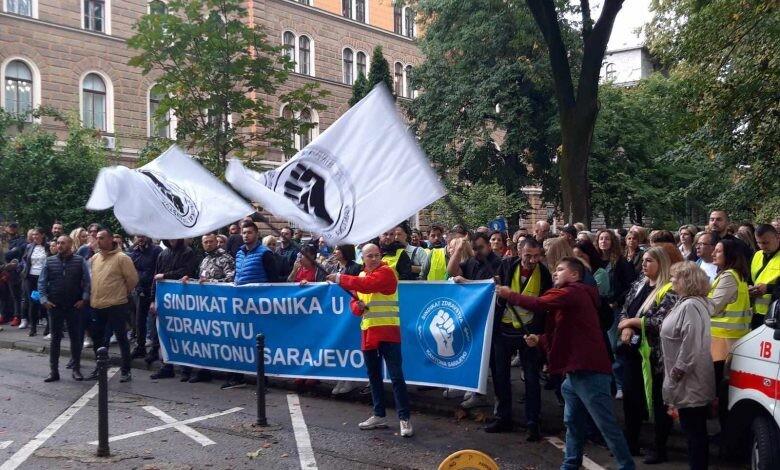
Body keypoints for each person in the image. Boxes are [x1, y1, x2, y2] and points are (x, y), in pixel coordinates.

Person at [499, 257, 634, 470]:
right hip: (576, 371)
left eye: (560, 269)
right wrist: (540, 339)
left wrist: (510, 295)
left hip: (588, 370)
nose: (555, 273)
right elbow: (566, 331)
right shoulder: (573, 294)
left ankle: (626, 466)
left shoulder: (573, 292)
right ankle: (570, 463)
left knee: (605, 424)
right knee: (573, 421)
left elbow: (539, 303)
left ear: (574, 275)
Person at [326, 244, 413, 437]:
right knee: (373, 377)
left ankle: (404, 418)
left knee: (396, 377)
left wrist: (340, 278)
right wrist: (358, 306)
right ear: (363, 258)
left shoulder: (387, 272)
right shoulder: (362, 277)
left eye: (376, 255)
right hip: (368, 332)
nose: (373, 259)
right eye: (369, 256)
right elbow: (355, 305)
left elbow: (367, 285)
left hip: (389, 331)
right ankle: (378, 414)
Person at [616, 247, 678, 463]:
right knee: (632, 399)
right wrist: (626, 326)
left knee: (659, 403)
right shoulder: (639, 284)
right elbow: (626, 309)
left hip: (656, 356)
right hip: (633, 352)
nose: (644, 264)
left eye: (649, 261)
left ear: (661, 264)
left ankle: (659, 448)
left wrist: (632, 323)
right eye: (643, 260)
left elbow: (661, 321)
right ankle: (630, 443)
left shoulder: (670, 289)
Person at [487, 237, 552, 441]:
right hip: (503, 331)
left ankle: (533, 422)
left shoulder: (545, 275)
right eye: (527, 256)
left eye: (536, 256)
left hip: (529, 334)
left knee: (531, 379)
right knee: (500, 376)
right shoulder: (506, 265)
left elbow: (543, 305)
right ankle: (503, 417)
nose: (532, 260)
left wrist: (539, 334)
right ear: (518, 252)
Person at [661, 261, 715, 470]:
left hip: (689, 380)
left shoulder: (691, 305)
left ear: (687, 281)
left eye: (675, 277)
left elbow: (691, 345)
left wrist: (675, 375)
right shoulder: (687, 303)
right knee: (694, 431)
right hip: (688, 379)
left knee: (694, 433)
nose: (672, 279)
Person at [223, 221, 280, 389]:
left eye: (249, 232)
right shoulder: (239, 253)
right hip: (240, 305)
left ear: (256, 234)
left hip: (258, 307)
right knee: (238, 340)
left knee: (260, 344)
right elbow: (237, 276)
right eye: (244, 232)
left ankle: (262, 380)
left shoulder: (265, 254)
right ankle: (236, 376)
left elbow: (273, 280)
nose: (245, 235)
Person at [180, 232, 236, 383]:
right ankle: (205, 371)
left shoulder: (226, 258)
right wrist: (190, 280)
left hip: (221, 307)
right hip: (206, 307)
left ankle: (231, 374)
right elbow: (201, 281)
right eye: (206, 242)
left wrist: (210, 281)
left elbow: (230, 280)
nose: (209, 244)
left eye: (211, 242)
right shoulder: (204, 259)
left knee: (225, 341)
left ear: (216, 242)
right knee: (205, 340)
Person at [87, 229, 138, 383]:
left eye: (101, 238)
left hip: (116, 304)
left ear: (110, 239)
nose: (98, 240)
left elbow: (133, 280)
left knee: (121, 337)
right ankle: (100, 366)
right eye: (97, 238)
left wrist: (121, 292)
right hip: (97, 304)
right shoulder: (95, 258)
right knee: (98, 338)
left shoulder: (122, 258)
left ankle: (126, 370)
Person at [38, 235, 91, 382]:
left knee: (75, 339)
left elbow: (87, 282)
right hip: (55, 305)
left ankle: (76, 368)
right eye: (58, 243)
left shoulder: (79, 261)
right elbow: (41, 283)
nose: (60, 245)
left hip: (74, 305)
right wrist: (44, 300)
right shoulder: (49, 261)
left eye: (63, 243)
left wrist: (84, 299)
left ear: (70, 244)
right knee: (55, 339)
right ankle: (53, 371)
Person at [147, 238, 199, 375]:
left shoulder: (188, 252)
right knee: (164, 333)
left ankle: (186, 367)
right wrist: (153, 300)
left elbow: (187, 271)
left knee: (183, 334)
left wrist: (165, 275)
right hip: (164, 300)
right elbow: (155, 278)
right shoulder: (162, 254)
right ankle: (166, 366)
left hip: (183, 299)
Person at [709, 238, 752, 396]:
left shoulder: (728, 276)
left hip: (722, 341)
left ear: (730, 255)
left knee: (720, 388)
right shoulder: (733, 274)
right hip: (727, 339)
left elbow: (712, 307)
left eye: (718, 251)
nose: (713, 253)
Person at [128, 235, 162, 359]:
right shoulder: (134, 251)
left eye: (143, 236)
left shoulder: (156, 250)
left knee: (154, 322)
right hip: (140, 290)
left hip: (153, 290)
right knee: (139, 320)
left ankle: (154, 349)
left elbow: (158, 269)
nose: (140, 239)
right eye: (138, 236)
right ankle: (140, 347)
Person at [20, 227, 50, 335]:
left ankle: (48, 328)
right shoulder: (29, 246)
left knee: (44, 301)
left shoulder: (48, 246)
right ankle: (33, 328)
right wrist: (23, 270)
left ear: (42, 235)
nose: (34, 237)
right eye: (33, 235)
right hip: (30, 277)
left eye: (37, 234)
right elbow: (24, 259)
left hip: (43, 278)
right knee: (32, 302)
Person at [749, 224, 779, 329]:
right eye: (759, 243)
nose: (762, 246)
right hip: (756, 312)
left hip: (776, 314)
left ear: (777, 237)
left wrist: (768, 288)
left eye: (766, 243)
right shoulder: (757, 255)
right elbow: (750, 278)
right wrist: (749, 287)